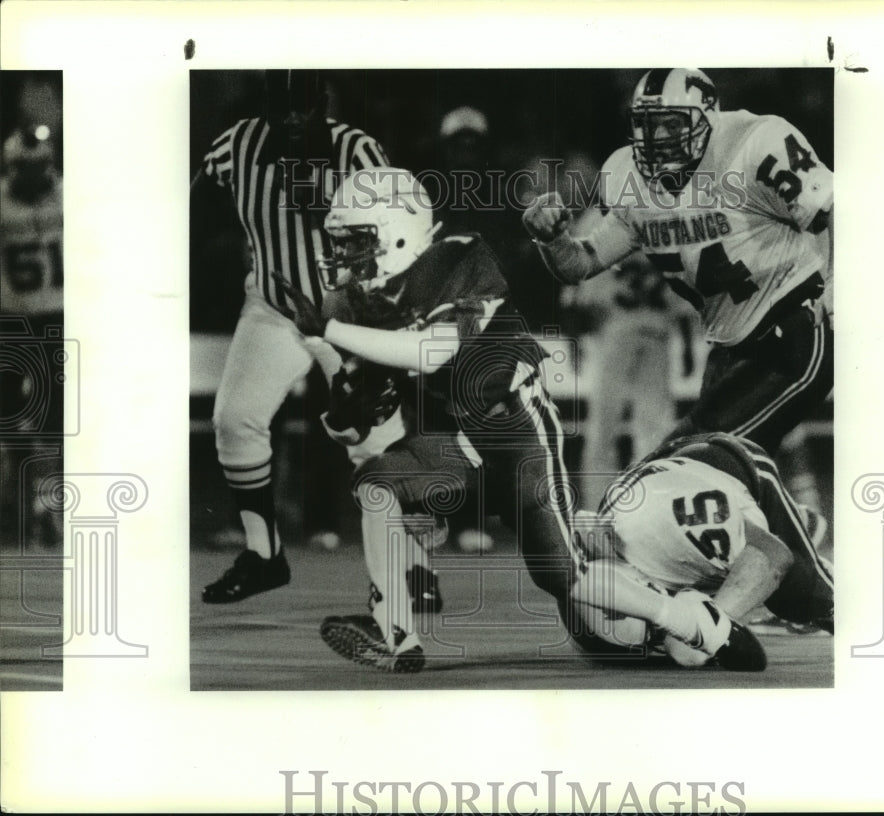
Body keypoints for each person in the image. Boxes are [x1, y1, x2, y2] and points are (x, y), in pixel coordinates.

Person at [277, 167, 581, 673]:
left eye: (355, 242)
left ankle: (688, 619)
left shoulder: (455, 259)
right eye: (339, 243)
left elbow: (431, 352)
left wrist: (329, 331)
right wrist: (341, 396)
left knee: (572, 586)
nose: (343, 256)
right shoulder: (357, 301)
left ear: (397, 232)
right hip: (453, 446)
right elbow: (351, 427)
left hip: (512, 433)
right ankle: (397, 632)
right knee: (375, 484)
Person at [523, 68, 833, 536]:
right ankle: (793, 540)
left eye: (672, 123)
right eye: (647, 124)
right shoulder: (628, 175)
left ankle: (808, 576)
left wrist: (838, 296)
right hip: (728, 347)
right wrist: (551, 240)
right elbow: (582, 263)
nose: (658, 137)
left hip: (791, 327)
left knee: (697, 466)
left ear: (707, 117)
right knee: (693, 472)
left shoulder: (756, 142)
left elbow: (835, 211)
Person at [191, 70, 391, 603]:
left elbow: (401, 232)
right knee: (235, 422)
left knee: (372, 446)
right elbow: (193, 206)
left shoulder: (358, 151)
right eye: (282, 110)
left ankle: (401, 574)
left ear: (321, 105)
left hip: (350, 316)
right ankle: (263, 555)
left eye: (304, 108)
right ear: (266, 111)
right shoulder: (238, 144)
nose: (293, 121)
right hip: (277, 309)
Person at [570, 432, 834, 670]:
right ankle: (797, 523)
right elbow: (578, 536)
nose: (658, 637)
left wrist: (716, 622)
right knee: (697, 596)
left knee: (806, 596)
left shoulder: (675, 531)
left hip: (735, 465)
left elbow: (773, 554)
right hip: (664, 478)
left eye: (652, 634)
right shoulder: (598, 552)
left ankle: (795, 524)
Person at [0, 123, 64, 549]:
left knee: (55, 413)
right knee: (8, 412)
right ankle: (20, 495)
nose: (32, 176)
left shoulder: (70, 197)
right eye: (24, 168)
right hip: (10, 314)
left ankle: (45, 501)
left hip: (58, 313)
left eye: (38, 166)